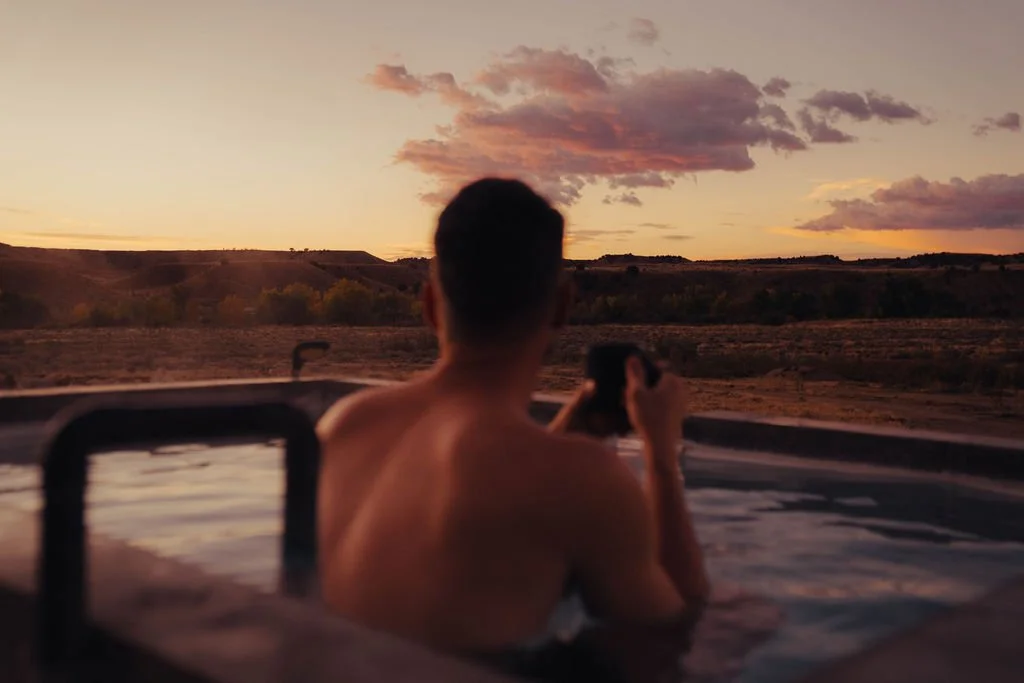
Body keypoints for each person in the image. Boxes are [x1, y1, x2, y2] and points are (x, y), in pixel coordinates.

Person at [316, 178, 709, 672]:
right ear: (562, 307)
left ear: (431, 305)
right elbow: (678, 629)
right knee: (749, 618)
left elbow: (480, 502)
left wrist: (568, 428)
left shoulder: (341, 426)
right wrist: (662, 455)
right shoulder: (581, 478)